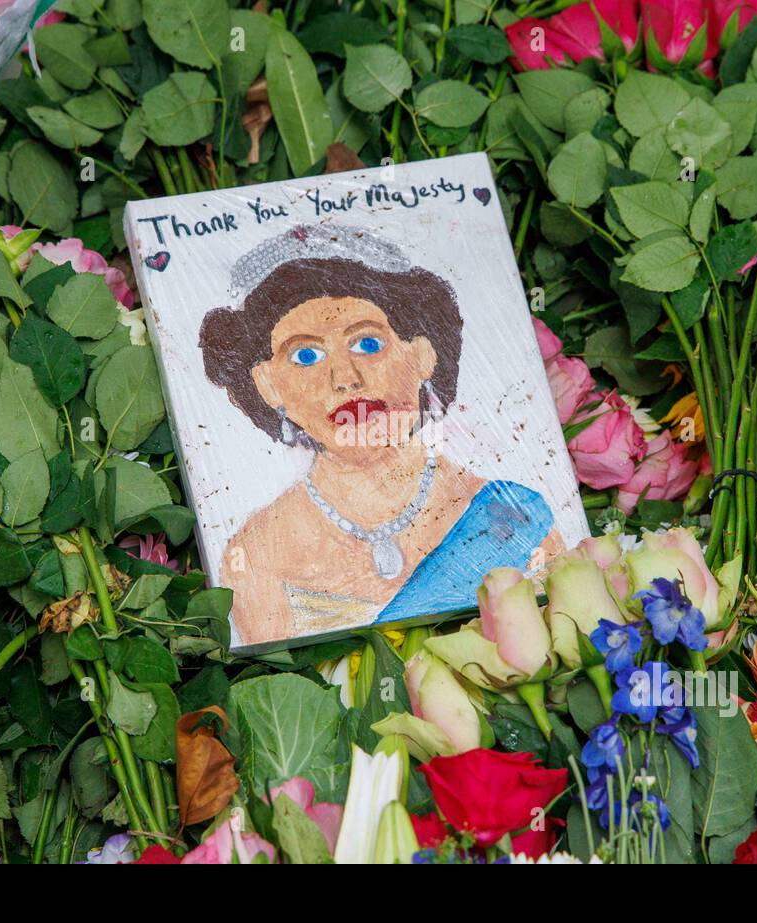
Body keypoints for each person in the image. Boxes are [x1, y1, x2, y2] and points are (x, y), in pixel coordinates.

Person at [200, 224, 563, 644]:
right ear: (267, 384)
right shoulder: (256, 554)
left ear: (423, 354)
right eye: (305, 355)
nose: (345, 378)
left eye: (367, 344)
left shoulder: (515, 517)